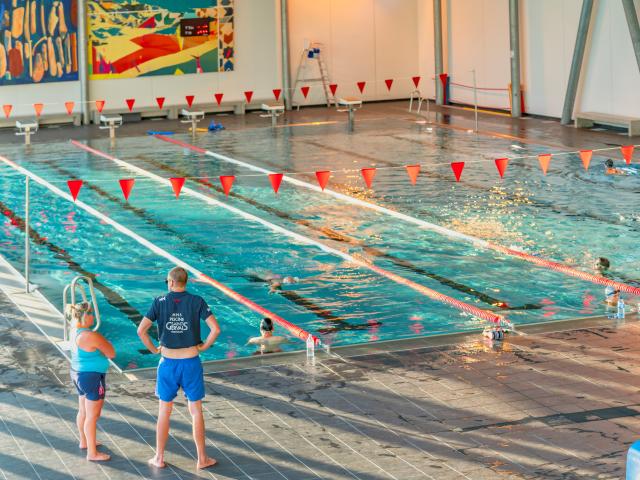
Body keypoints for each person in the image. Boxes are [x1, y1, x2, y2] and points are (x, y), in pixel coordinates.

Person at [137, 267, 221, 470]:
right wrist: (204, 346)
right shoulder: (197, 301)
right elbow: (215, 329)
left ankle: (158, 457)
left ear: (171, 282)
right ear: (185, 282)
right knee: (195, 411)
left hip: (167, 363)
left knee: (164, 411)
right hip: (191, 362)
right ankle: (202, 458)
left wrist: (154, 350)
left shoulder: (159, 302)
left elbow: (141, 330)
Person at [68, 302, 115, 462]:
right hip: (92, 377)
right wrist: (102, 351)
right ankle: (92, 453)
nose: (94, 318)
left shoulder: (74, 330)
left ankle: (85, 441)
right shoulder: (90, 335)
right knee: (93, 416)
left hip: (77, 374)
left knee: (83, 411)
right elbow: (111, 352)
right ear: (85, 316)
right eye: (91, 315)